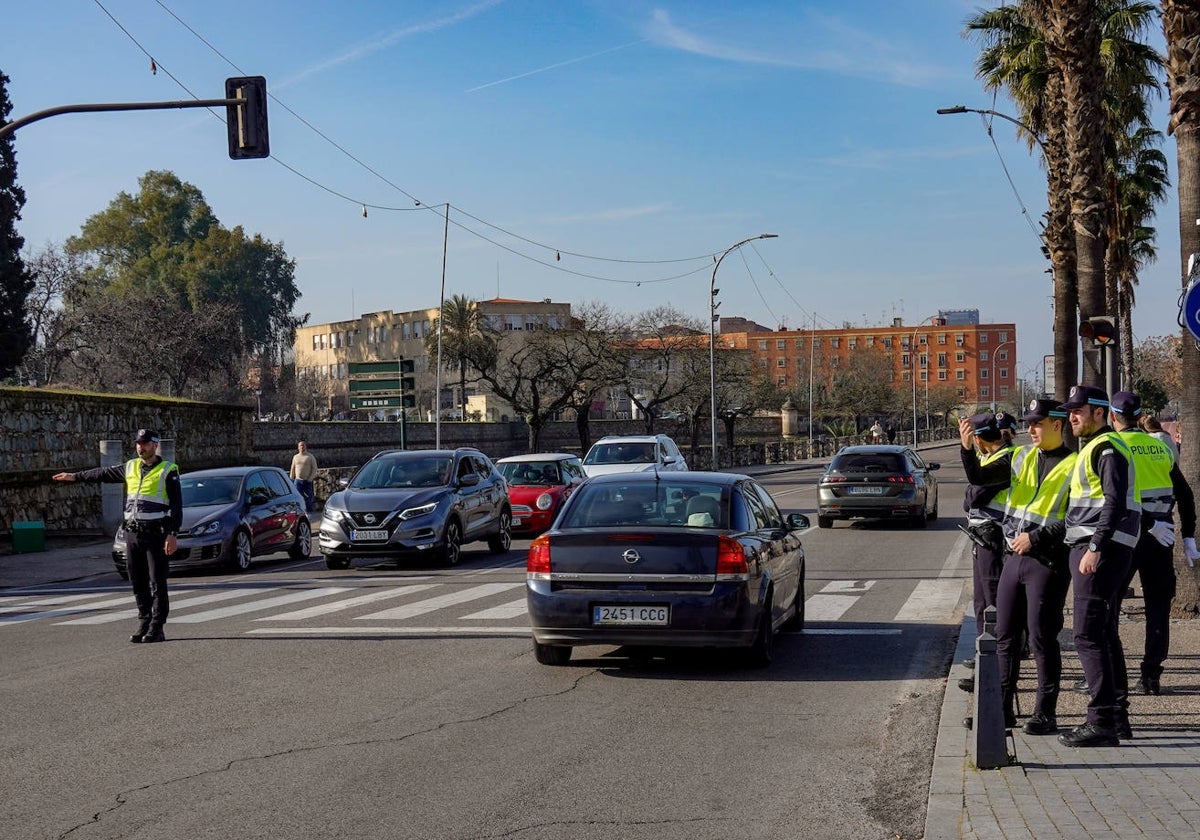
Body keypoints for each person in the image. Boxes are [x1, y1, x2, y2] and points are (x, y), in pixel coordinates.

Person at [1058, 385, 1141, 747]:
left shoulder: (1106, 448)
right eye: (1070, 411)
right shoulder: (1099, 447)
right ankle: (1117, 718)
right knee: (1104, 632)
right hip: (1105, 548)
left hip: (1100, 551)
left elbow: (1114, 501)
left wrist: (1094, 546)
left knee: (1087, 634)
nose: (1072, 417)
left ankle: (1101, 722)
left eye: (1078, 410)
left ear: (1098, 412)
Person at [51, 429, 182, 644]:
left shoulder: (168, 471)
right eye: (139, 444)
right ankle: (144, 621)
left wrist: (172, 534)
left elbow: (177, 506)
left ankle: (157, 627)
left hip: (155, 534)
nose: (141, 447)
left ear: (155, 445)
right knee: (137, 580)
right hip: (132, 533)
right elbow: (102, 474)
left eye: (146, 444)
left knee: (157, 581)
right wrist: (74, 476)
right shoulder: (130, 467)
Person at [994, 398, 1076, 734]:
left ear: (1058, 424)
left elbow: (1077, 519)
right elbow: (991, 484)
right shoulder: (1025, 456)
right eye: (1028, 423)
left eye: (1037, 423)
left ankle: (1045, 713)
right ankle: (1000, 710)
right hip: (1016, 556)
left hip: (1048, 561)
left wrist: (1037, 538)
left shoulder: (1075, 464)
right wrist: (968, 448)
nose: (1030, 430)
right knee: (1004, 637)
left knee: (1042, 637)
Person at [1109, 391, 1200, 695]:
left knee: (1108, 606)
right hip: (1162, 536)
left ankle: (1108, 672)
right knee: (1158, 608)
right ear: (1139, 416)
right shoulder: (1161, 445)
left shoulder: (1113, 447)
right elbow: (1185, 495)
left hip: (1125, 536)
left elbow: (1115, 498)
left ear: (1112, 417)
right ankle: (1151, 676)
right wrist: (1187, 535)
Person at [957, 412, 1018, 693]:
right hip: (983, 539)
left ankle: (995, 671)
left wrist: (965, 451)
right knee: (982, 604)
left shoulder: (1005, 459)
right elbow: (972, 496)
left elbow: (974, 496)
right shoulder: (993, 458)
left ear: (978, 440)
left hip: (993, 539)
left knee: (993, 606)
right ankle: (986, 665)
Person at [290, 439, 318, 512]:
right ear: (298, 447)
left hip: (307, 481)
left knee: (308, 497)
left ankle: (309, 512)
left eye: (303, 445)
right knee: (297, 497)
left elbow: (314, 468)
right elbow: (293, 468)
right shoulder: (295, 457)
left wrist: (310, 478)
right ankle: (299, 512)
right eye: (300, 446)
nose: (302, 447)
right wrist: (291, 479)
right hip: (297, 481)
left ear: (306, 447)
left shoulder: (310, 456)